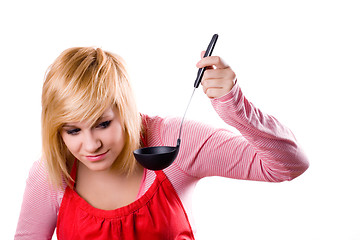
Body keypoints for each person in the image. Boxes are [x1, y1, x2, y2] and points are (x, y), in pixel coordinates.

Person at [15, 46, 309, 239]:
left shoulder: (173, 142)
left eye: (103, 124)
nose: (91, 146)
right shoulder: (51, 173)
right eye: (72, 131)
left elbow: (288, 166)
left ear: (125, 109)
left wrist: (233, 105)